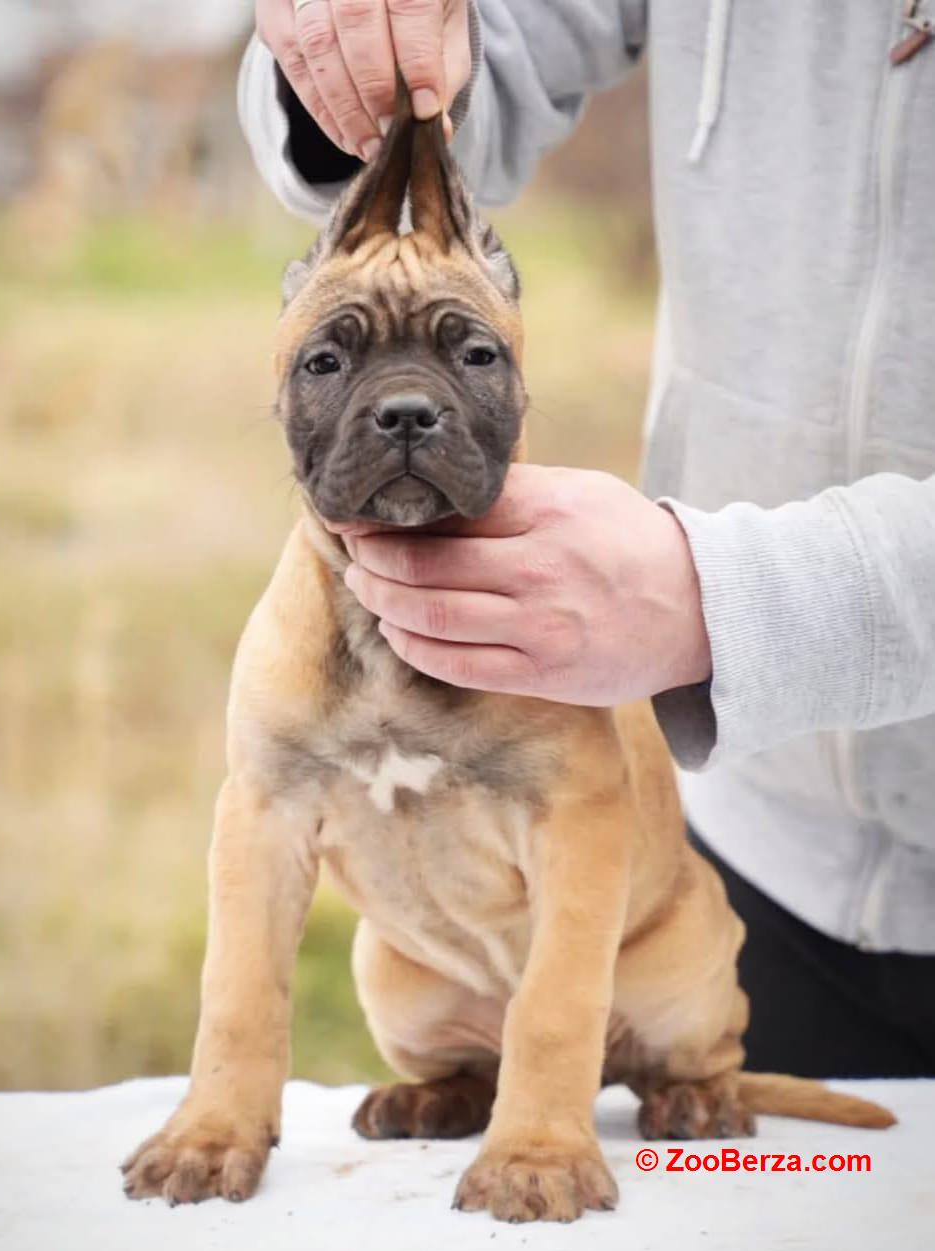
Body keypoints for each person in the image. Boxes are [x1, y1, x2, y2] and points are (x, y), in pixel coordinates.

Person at [239, 1, 935, 1078]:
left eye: (468, 355)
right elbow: (492, 45)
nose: (406, 408)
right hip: (759, 843)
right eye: (334, 364)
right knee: (754, 1219)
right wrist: (356, 60)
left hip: (714, 798)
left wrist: (734, 598)